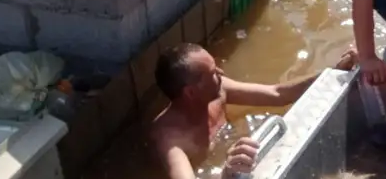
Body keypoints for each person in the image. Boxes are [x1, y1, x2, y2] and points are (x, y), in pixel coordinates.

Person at [149, 43, 357, 179]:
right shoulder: (169, 139)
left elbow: (277, 94)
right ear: (191, 93)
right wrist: (226, 174)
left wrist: (331, 71)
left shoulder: (219, 90)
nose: (221, 73)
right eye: (212, 73)